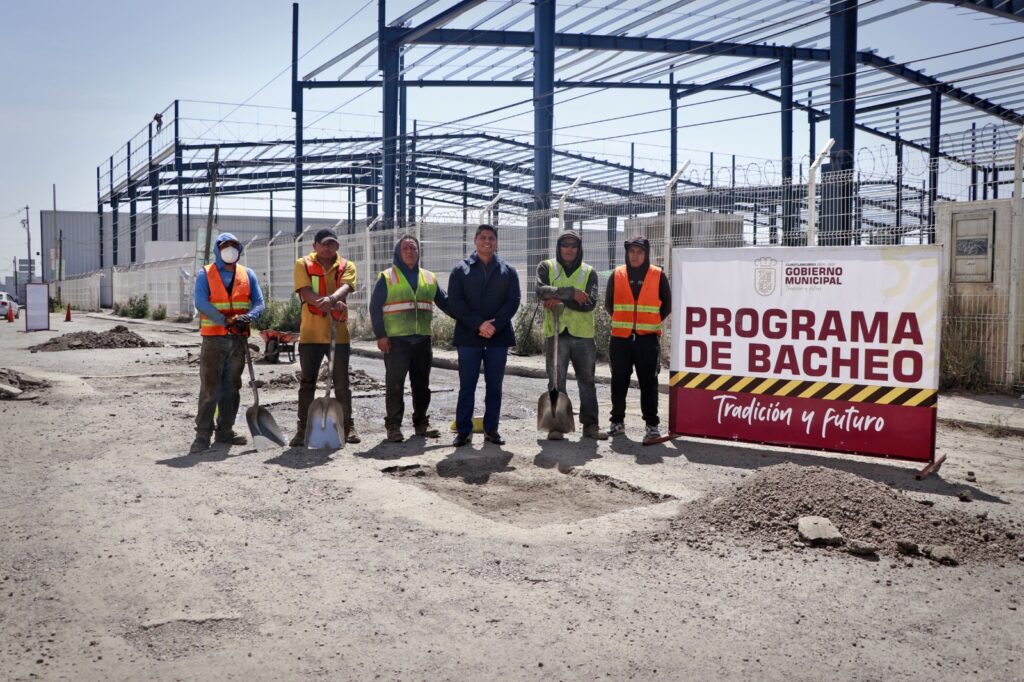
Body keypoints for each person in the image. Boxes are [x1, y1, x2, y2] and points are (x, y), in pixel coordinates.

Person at [369, 234, 451, 443]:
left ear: (418, 252)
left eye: (413, 248)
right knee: (395, 384)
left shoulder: (428, 277)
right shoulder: (388, 276)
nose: (410, 251)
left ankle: (421, 423)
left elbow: (445, 303)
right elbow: (375, 307)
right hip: (396, 341)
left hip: (422, 340)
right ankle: (393, 426)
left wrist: (470, 318)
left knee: (422, 386)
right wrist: (381, 336)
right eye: (406, 248)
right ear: (398, 252)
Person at [190, 233, 266, 454]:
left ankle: (225, 431)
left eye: (234, 246)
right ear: (217, 249)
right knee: (210, 387)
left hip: (238, 339)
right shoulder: (206, 274)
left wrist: (248, 318)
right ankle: (202, 434)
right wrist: (225, 321)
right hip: (214, 339)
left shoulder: (247, 274)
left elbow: (259, 303)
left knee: (232, 387)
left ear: (239, 250)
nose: (230, 250)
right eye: (225, 246)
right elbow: (201, 302)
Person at [447, 224, 521, 447]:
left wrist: (494, 326)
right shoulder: (461, 270)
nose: (487, 241)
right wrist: (479, 324)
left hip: (498, 338)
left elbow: (513, 302)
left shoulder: (508, 271)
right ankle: (463, 431)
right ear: (475, 240)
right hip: (469, 337)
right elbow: (455, 302)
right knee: (467, 385)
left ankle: (491, 430)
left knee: (494, 386)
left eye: (491, 238)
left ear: (496, 242)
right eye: (483, 238)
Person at [537, 230, 608, 441]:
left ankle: (591, 426)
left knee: (586, 381)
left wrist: (557, 298)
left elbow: (589, 303)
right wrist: (571, 293)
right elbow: (540, 291)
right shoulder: (546, 267)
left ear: (579, 249)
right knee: (556, 381)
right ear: (559, 247)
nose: (569, 249)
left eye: (573, 245)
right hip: (555, 333)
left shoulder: (589, 272)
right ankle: (556, 426)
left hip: (583, 336)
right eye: (565, 245)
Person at [290, 228, 359, 446]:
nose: (328, 248)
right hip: (310, 334)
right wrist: (327, 302)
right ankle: (303, 429)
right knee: (307, 383)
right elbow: (305, 291)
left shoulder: (347, 265)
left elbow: (347, 286)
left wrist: (332, 298)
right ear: (315, 246)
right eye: (324, 244)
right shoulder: (303, 264)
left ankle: (347, 427)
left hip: (339, 335)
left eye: (332, 244)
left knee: (341, 384)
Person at [605, 235, 671, 441]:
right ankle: (617, 422)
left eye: (639, 252)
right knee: (618, 381)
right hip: (621, 338)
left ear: (646, 254)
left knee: (648, 383)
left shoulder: (658, 275)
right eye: (631, 251)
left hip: (647, 339)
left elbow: (666, 306)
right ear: (627, 253)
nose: (635, 255)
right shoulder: (617, 274)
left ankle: (652, 425)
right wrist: (625, 322)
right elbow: (609, 304)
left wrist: (648, 322)